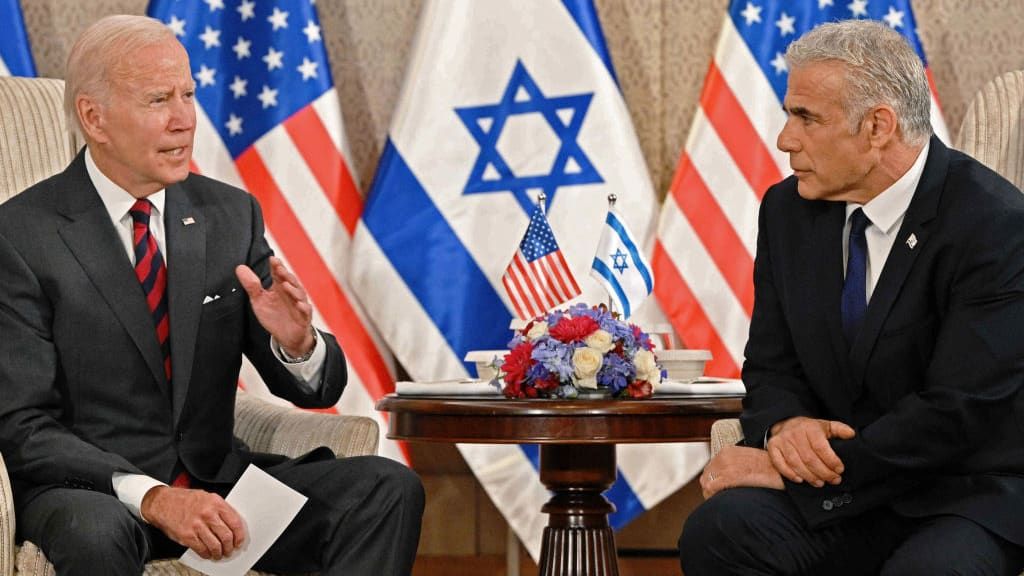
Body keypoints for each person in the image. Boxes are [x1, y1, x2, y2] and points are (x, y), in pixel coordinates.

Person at [0, 14, 423, 575]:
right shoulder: (22, 233)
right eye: (158, 100)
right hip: (96, 494)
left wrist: (297, 345)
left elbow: (313, 388)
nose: (185, 120)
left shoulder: (229, 214)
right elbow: (23, 425)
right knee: (95, 536)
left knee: (385, 487)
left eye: (188, 94)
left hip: (216, 484)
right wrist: (152, 497)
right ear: (93, 118)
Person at [678, 20, 1024, 575]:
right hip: (844, 503)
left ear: (877, 127)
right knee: (719, 532)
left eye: (806, 117)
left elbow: (959, 412)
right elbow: (771, 364)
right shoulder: (788, 211)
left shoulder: (993, 224)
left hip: (957, 497)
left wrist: (798, 469)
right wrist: (786, 429)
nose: (785, 138)